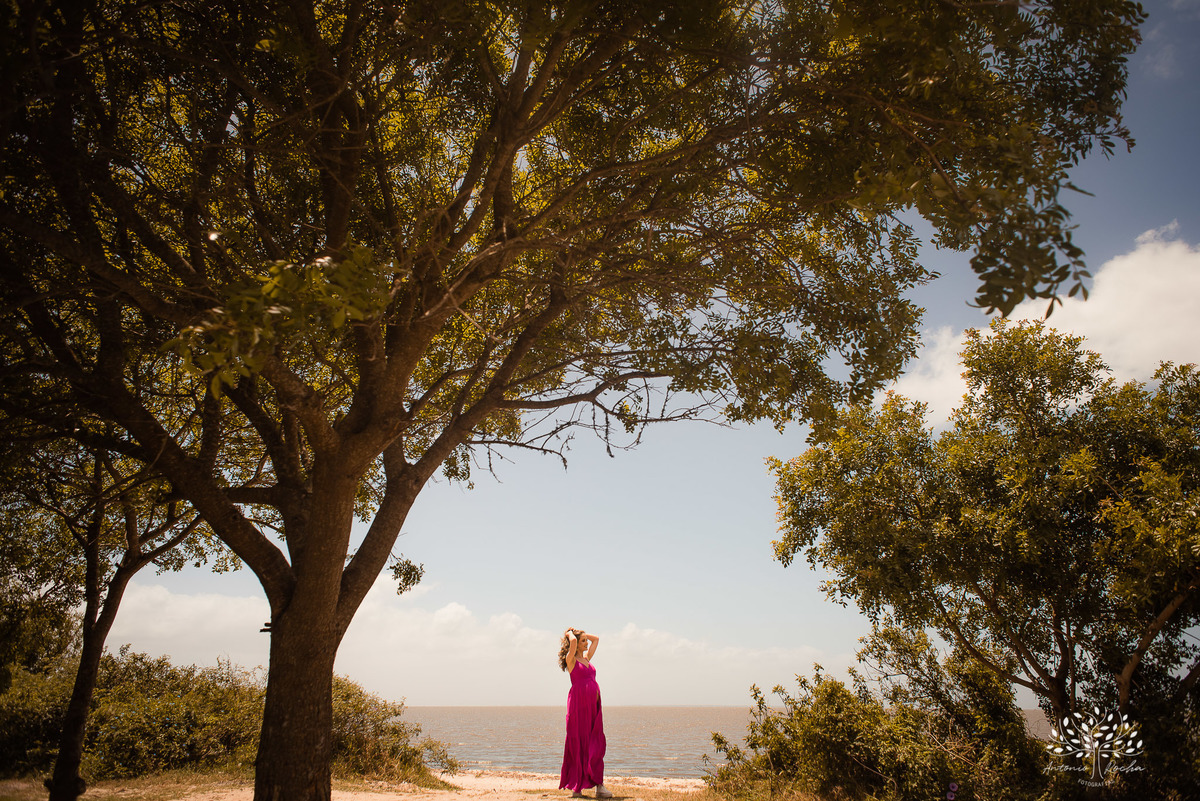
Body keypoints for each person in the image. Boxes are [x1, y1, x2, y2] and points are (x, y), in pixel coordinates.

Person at [558, 628, 612, 799]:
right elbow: (573, 643)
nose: (586, 643)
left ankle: (599, 785)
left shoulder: (587, 658)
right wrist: (570, 634)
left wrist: (582, 634)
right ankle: (577, 788)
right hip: (578, 708)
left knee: (595, 743)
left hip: (593, 708)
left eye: (584, 641)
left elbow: (596, 639)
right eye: (583, 641)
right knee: (578, 743)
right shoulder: (571, 660)